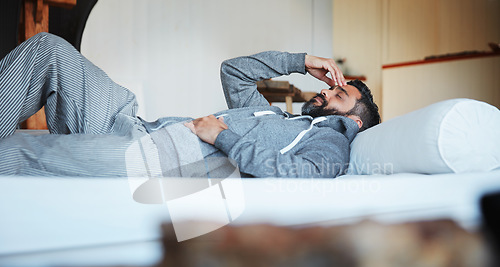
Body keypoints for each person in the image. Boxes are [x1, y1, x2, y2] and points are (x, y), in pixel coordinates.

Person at [0, 33, 379, 178]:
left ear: (355, 123)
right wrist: (302, 61)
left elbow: (301, 174)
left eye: (338, 96)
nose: (326, 93)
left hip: (154, 157)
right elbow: (234, 71)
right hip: (132, 122)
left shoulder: (333, 142)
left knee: (22, 149)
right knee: (49, 51)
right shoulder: (277, 117)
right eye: (331, 89)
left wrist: (222, 136)